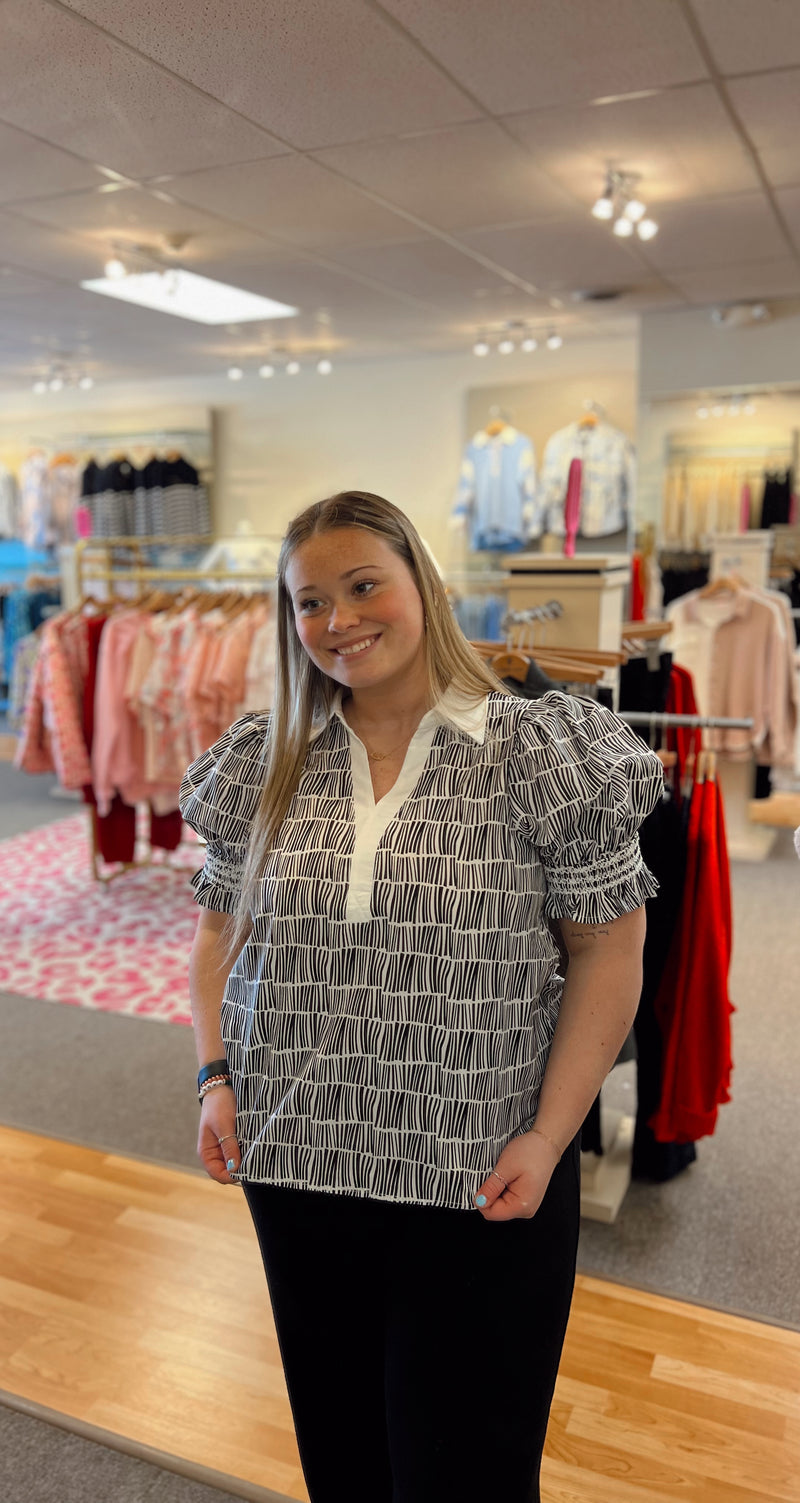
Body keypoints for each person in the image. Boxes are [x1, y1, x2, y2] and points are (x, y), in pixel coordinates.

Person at [180, 490, 664, 1503]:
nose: (338, 620)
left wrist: (549, 1134)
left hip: (480, 1170)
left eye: (363, 586)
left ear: (422, 585)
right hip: (298, 1157)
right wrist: (214, 1077)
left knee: (466, 1468)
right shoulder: (268, 759)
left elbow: (609, 951)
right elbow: (222, 928)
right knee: (342, 1449)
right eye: (309, 602)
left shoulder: (537, 750)